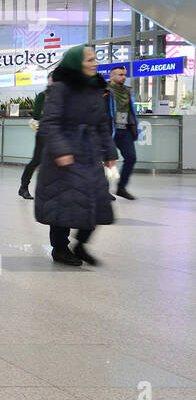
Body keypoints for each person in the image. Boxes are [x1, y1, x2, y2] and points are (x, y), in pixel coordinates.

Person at [34, 46, 117, 267]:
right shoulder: (61, 88)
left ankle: (81, 244)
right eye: (89, 60)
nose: (94, 63)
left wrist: (110, 152)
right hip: (64, 155)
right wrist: (61, 151)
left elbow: (101, 124)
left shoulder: (95, 88)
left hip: (89, 153)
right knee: (64, 202)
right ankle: (59, 248)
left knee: (96, 199)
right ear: (76, 63)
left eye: (95, 59)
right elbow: (49, 122)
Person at [106, 64, 140, 200]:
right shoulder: (105, 90)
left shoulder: (127, 91)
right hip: (110, 131)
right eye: (120, 74)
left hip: (125, 129)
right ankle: (103, 190)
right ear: (112, 76)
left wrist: (134, 125)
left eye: (125, 74)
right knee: (107, 161)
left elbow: (131, 109)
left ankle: (121, 187)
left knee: (131, 158)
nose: (123, 77)